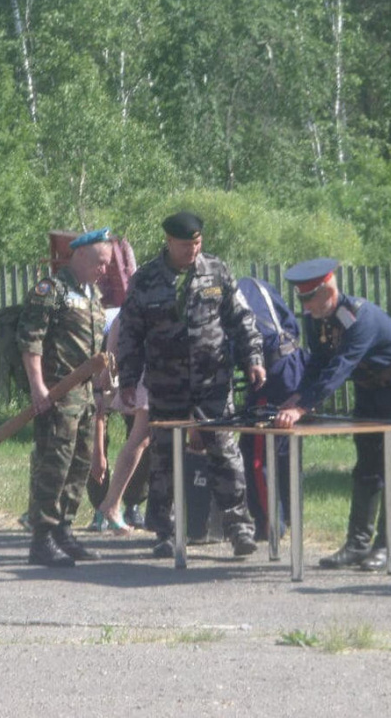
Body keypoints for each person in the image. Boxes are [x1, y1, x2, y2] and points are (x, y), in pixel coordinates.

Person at [116, 211, 266, 558]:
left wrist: (254, 358)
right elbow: (130, 334)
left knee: (225, 454)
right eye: (186, 245)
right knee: (165, 458)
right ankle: (165, 532)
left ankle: (239, 528)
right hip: (167, 384)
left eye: (197, 243)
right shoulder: (146, 279)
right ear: (169, 242)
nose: (193, 250)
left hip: (212, 382)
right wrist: (127, 379)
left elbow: (241, 318)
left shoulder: (216, 270)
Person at [274, 258, 391, 572]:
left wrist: (303, 408)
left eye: (310, 298)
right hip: (369, 390)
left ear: (328, 290)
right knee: (367, 466)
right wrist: (298, 395)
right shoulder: (317, 318)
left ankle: (385, 547)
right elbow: (316, 364)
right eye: (302, 299)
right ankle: (357, 545)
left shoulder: (359, 317)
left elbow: (340, 367)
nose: (306, 307)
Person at [18, 227, 113, 567]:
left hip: (85, 395)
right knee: (53, 465)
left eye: (108, 265)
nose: (105, 270)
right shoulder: (51, 290)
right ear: (81, 255)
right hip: (58, 393)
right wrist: (38, 387)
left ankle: (64, 529)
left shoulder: (92, 295)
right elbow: (31, 341)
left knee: (80, 464)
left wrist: (101, 388)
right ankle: (41, 538)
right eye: (101, 263)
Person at [236, 276, 309, 540]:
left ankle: (270, 522)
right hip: (294, 365)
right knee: (287, 452)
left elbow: (233, 344)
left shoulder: (227, 296)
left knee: (257, 454)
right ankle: (289, 517)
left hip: (271, 375)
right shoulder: (257, 285)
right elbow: (291, 323)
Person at [89, 312, 151, 533]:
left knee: (147, 439)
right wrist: (109, 365)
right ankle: (103, 506)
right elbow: (98, 410)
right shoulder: (143, 291)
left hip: (150, 365)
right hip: (128, 364)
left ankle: (133, 504)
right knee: (137, 437)